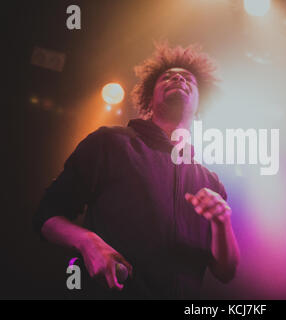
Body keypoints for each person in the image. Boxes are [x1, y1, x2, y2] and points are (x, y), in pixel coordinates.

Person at [33, 42, 240, 299]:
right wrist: (88, 241)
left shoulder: (210, 182)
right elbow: (46, 215)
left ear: (200, 102)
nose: (177, 77)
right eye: (167, 77)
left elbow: (225, 271)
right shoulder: (110, 142)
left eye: (188, 78)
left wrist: (222, 222)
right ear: (149, 98)